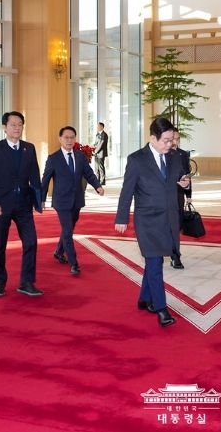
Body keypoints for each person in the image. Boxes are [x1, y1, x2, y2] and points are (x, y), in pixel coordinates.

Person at [115, 118, 191, 327]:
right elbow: (127, 191)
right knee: (156, 262)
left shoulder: (174, 157)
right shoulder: (137, 160)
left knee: (153, 261)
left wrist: (184, 184)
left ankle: (144, 298)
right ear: (152, 138)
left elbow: (179, 179)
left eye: (172, 140)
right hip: (147, 221)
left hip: (169, 218)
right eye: (166, 140)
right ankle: (161, 308)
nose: (170, 144)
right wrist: (121, 217)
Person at [0, 111, 43, 298]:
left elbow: (35, 175)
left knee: (31, 242)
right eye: (13, 125)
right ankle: (0, 282)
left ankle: (26, 282)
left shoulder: (29, 148)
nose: (17, 128)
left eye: (20, 125)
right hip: (1, 206)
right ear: (4, 127)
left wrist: (39, 200)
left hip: (24, 204)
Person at [41, 126, 104, 275]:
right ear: (60, 139)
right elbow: (45, 180)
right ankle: (74, 263)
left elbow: (88, 173)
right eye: (66, 137)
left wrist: (97, 186)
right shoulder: (53, 158)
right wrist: (41, 199)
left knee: (68, 228)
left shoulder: (80, 156)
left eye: (72, 138)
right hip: (61, 201)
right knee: (68, 230)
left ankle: (58, 251)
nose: (69, 140)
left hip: (77, 200)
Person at [170, 127, 192, 269]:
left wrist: (188, 194)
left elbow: (187, 176)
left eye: (177, 139)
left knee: (176, 226)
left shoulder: (183, 154)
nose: (175, 142)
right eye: (173, 139)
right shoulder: (162, 154)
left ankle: (175, 255)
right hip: (163, 197)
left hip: (178, 195)